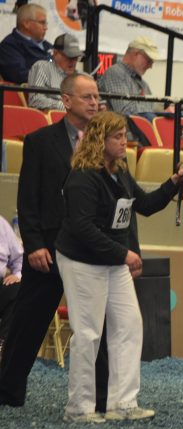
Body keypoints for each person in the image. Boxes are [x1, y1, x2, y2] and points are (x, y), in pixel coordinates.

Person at [55, 111, 183, 423]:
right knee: (88, 333)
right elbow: (82, 228)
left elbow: (143, 205)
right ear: (99, 140)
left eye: (124, 135)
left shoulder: (121, 173)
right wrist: (125, 253)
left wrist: (174, 183)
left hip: (112, 260)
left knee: (129, 325)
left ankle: (123, 403)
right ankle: (79, 408)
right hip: (81, 260)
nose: (124, 142)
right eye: (117, 136)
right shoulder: (83, 177)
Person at [0, 74, 110, 410]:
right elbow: (28, 199)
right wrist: (33, 244)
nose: (94, 102)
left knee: (99, 326)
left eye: (96, 97)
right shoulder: (40, 141)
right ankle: (7, 391)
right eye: (86, 97)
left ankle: (101, 399)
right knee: (28, 322)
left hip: (90, 251)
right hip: (47, 249)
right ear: (66, 100)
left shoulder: (107, 144)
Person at [98, 36, 166, 120]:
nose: (150, 66)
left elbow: (151, 109)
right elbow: (124, 111)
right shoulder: (115, 73)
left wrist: (165, 111)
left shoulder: (143, 84)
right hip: (121, 131)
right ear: (136, 54)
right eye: (149, 60)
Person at [27, 33, 83, 111]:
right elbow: (35, 100)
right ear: (55, 54)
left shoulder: (82, 76)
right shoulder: (42, 67)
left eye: (76, 57)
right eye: (69, 57)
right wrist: (68, 106)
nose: (73, 61)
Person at [0, 3, 52, 84]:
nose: (46, 27)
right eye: (42, 22)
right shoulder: (8, 46)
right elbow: (20, 76)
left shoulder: (47, 45)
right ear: (26, 24)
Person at [0, 215, 22, 348]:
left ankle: (3, 344)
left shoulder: (1, 224)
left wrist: (17, 275)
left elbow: (19, 259)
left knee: (16, 288)